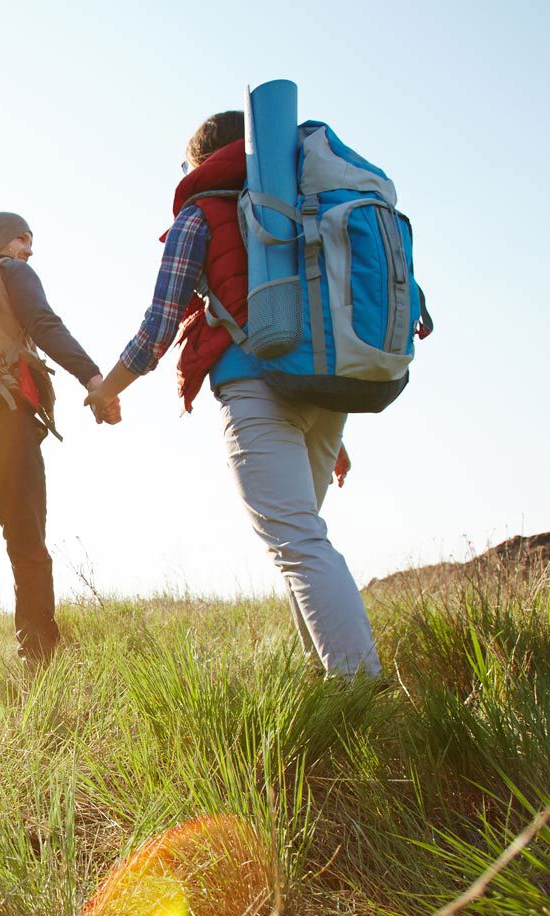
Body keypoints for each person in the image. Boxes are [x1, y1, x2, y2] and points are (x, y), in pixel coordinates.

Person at [83, 112, 381, 677]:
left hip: (257, 388)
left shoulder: (201, 214)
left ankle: (361, 687)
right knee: (301, 543)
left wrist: (107, 389)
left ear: (201, 162)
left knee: (297, 543)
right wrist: (330, 429)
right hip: (326, 392)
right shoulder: (301, 208)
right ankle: (326, 682)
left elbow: (158, 326)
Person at [0, 211, 117, 696]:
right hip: (4, 427)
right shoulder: (8, 273)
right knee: (28, 549)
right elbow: (45, 324)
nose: (29, 251)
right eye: (22, 239)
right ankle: (39, 664)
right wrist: (94, 379)